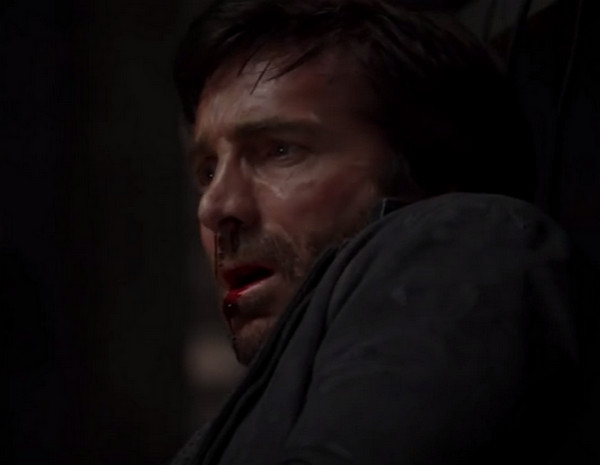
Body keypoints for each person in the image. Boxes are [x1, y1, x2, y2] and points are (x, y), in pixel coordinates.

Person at [170, 0, 592, 463]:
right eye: (207, 171)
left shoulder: (464, 237)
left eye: (280, 150)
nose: (215, 207)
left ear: (432, 171)